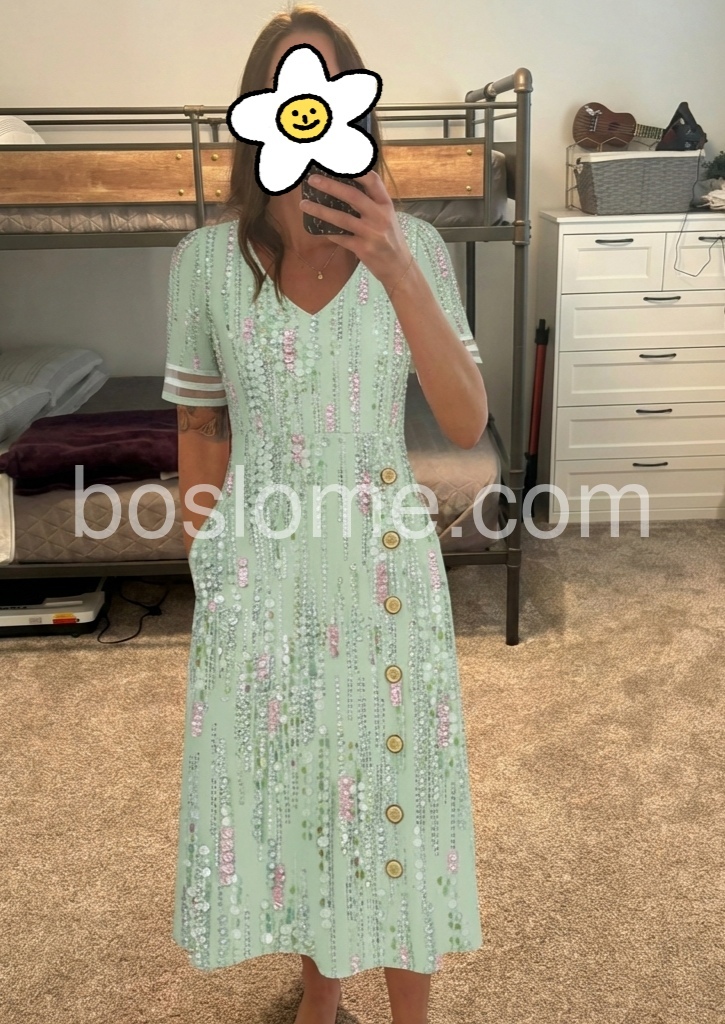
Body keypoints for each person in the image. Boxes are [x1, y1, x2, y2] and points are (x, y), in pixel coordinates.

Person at [161, 5, 489, 1024]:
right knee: (302, 783)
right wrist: (208, 561)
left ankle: (410, 1015)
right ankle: (320, 993)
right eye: (282, 90)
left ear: (353, 108)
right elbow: (199, 428)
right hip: (260, 562)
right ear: (255, 114)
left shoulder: (417, 248)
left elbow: (465, 419)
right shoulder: (204, 265)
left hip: (383, 561)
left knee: (397, 778)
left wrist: (394, 263)